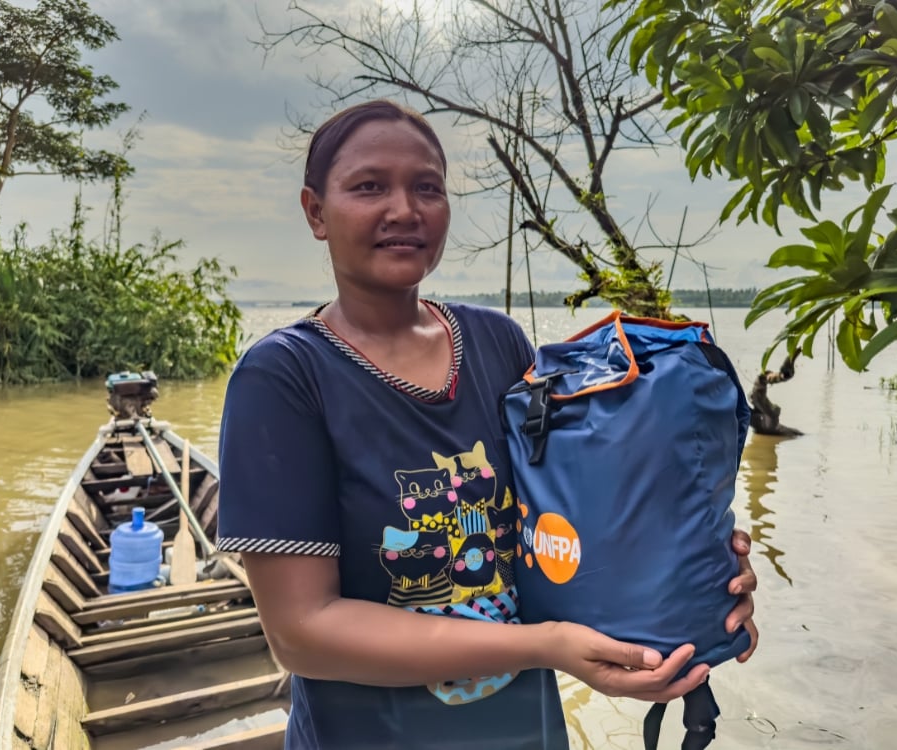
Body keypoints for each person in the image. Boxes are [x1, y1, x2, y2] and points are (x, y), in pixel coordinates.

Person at [216, 99, 758, 750]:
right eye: (369, 186)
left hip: (526, 733)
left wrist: (689, 577)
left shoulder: (498, 344)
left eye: (427, 187)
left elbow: (567, 530)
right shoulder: (283, 377)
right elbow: (302, 632)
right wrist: (546, 645)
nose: (404, 210)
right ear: (315, 212)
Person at [749, 350, 803, 436]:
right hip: (765, 423)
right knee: (758, 391)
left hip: (767, 424)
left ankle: (783, 375)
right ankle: (783, 375)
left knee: (758, 391)